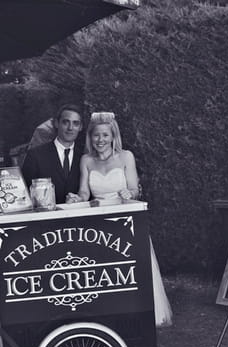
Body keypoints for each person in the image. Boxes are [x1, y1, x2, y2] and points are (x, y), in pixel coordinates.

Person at [68, 111, 173, 327]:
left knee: (129, 268)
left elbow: (134, 189)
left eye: (105, 136)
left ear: (113, 137)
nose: (101, 140)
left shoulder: (126, 157)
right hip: (98, 224)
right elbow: (85, 193)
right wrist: (76, 198)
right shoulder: (86, 160)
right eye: (97, 136)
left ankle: (138, 312)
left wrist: (129, 194)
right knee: (106, 272)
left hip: (125, 221)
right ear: (90, 137)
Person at [22, 104, 83, 204]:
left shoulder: (84, 157)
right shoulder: (35, 155)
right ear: (56, 123)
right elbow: (25, 193)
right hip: (45, 217)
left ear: (80, 127)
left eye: (75, 123)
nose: (70, 128)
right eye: (65, 122)